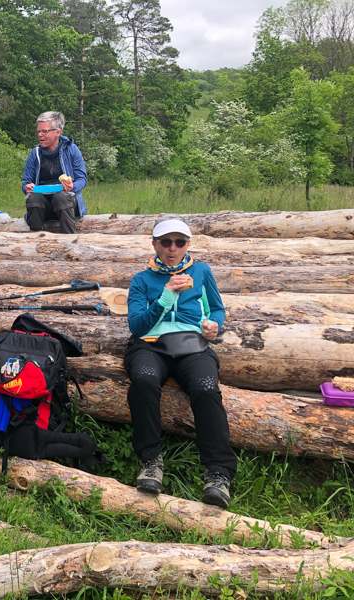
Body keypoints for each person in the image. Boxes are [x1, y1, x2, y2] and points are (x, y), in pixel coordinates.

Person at [124, 215, 237, 509]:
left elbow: (217, 309)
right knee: (144, 380)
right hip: (150, 344)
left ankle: (219, 472)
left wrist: (213, 325)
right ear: (154, 245)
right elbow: (137, 325)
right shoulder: (141, 280)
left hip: (192, 344)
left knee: (206, 387)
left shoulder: (201, 271)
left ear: (187, 244)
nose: (172, 248)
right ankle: (150, 460)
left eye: (179, 242)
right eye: (166, 242)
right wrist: (166, 295)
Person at [21, 111, 88, 234]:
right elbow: (26, 182)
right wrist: (27, 187)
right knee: (33, 198)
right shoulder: (35, 154)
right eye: (38, 131)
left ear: (57, 132)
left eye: (45, 131)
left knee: (61, 196)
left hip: (67, 203)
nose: (40, 135)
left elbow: (82, 179)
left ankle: (68, 239)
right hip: (43, 205)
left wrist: (72, 186)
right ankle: (36, 238)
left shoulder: (72, 150)